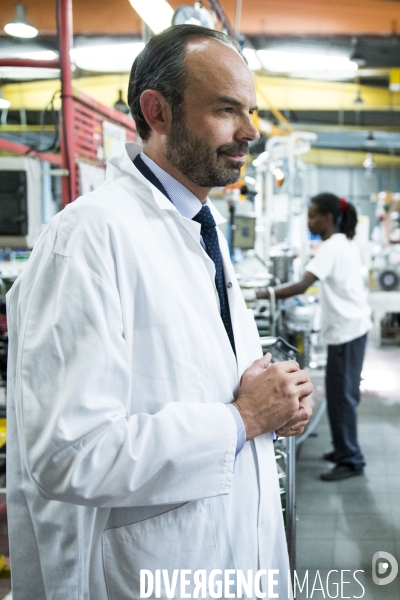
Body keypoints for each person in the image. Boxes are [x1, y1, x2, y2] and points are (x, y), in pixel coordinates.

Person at [6, 25, 313, 599]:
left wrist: (274, 402)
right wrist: (242, 419)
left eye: (249, 110)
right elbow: (70, 456)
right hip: (143, 575)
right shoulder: (90, 238)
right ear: (158, 111)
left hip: (225, 555)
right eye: (227, 110)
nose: (250, 132)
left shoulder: (198, 229)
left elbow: (199, 380)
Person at [258, 193, 372, 482]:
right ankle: (343, 448)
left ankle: (350, 458)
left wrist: (260, 294)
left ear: (328, 218)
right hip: (351, 328)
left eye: (312, 215)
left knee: (341, 396)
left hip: (347, 331)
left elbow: (302, 285)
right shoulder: (341, 244)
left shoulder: (332, 248)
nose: (309, 221)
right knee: (339, 394)